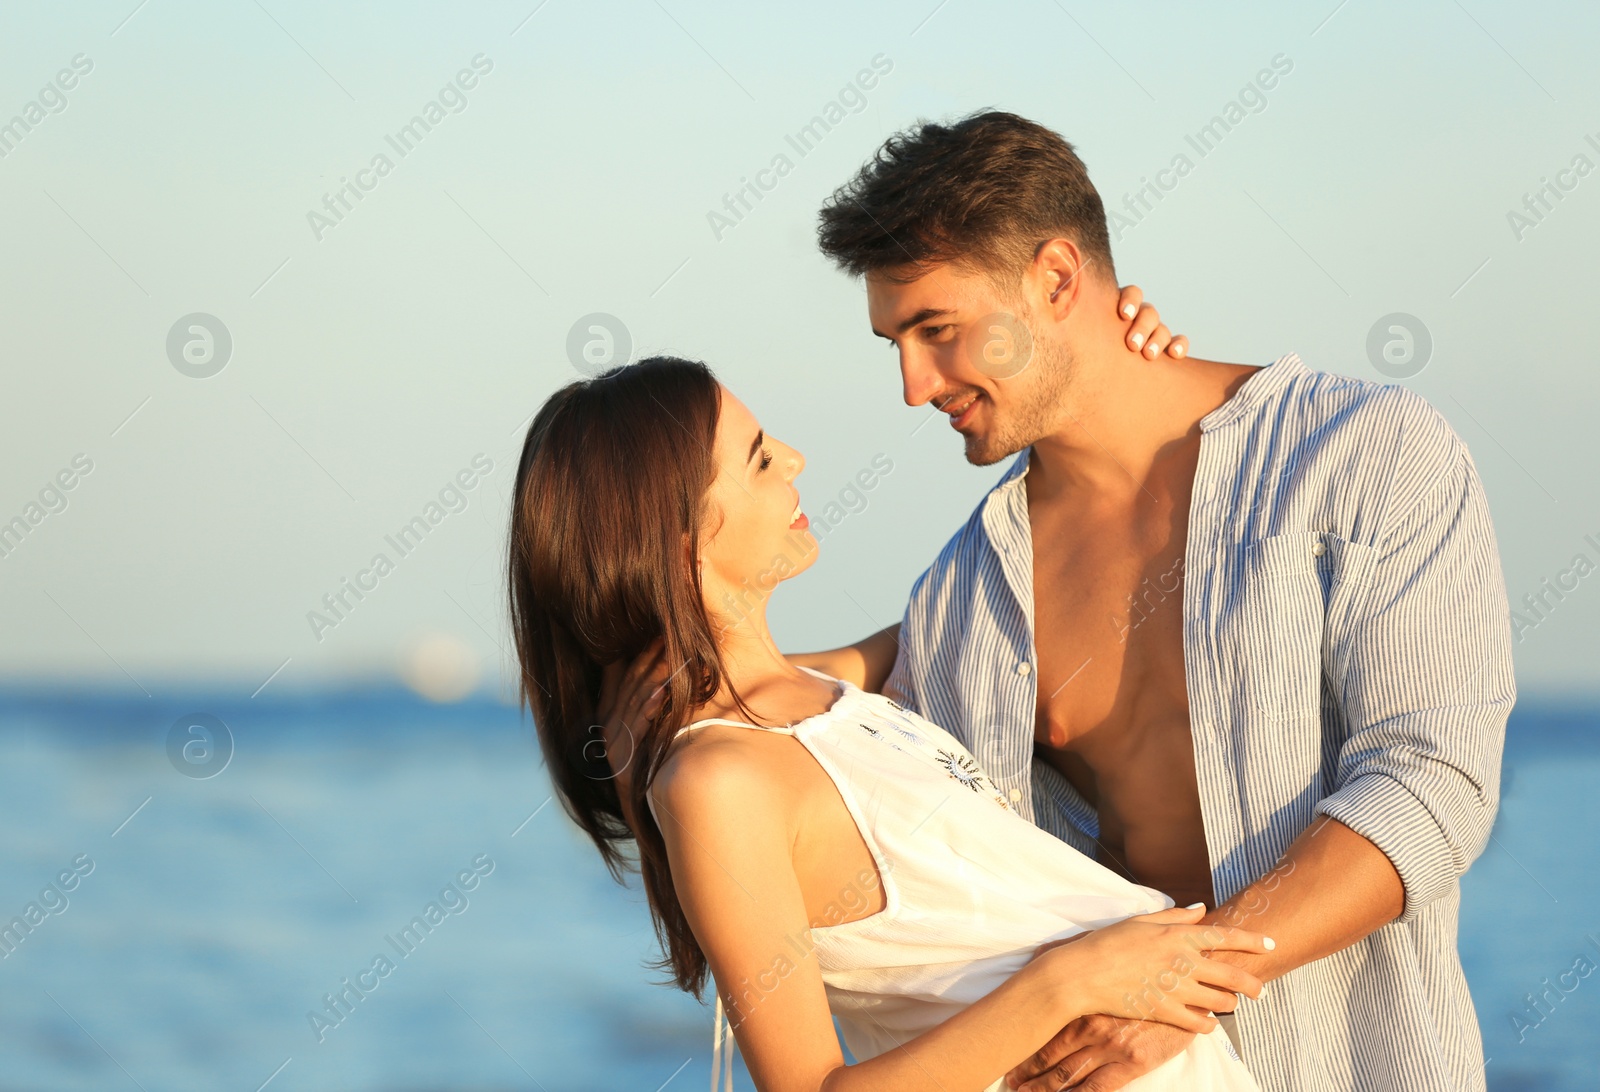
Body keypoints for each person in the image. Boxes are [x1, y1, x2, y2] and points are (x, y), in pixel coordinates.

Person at [792, 110, 1513, 1092]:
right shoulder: (966, 592)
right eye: (896, 345)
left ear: (1055, 280)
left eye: (937, 331)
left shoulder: (1363, 457)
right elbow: (815, 744)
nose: (914, 386)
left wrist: (1186, 986)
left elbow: (1432, 786)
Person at [507, 328, 1277, 1091]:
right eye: (759, 458)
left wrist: (1113, 366)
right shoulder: (717, 782)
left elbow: (1013, 609)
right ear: (679, 540)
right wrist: (1069, 982)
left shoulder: (815, 694)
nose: (795, 460)